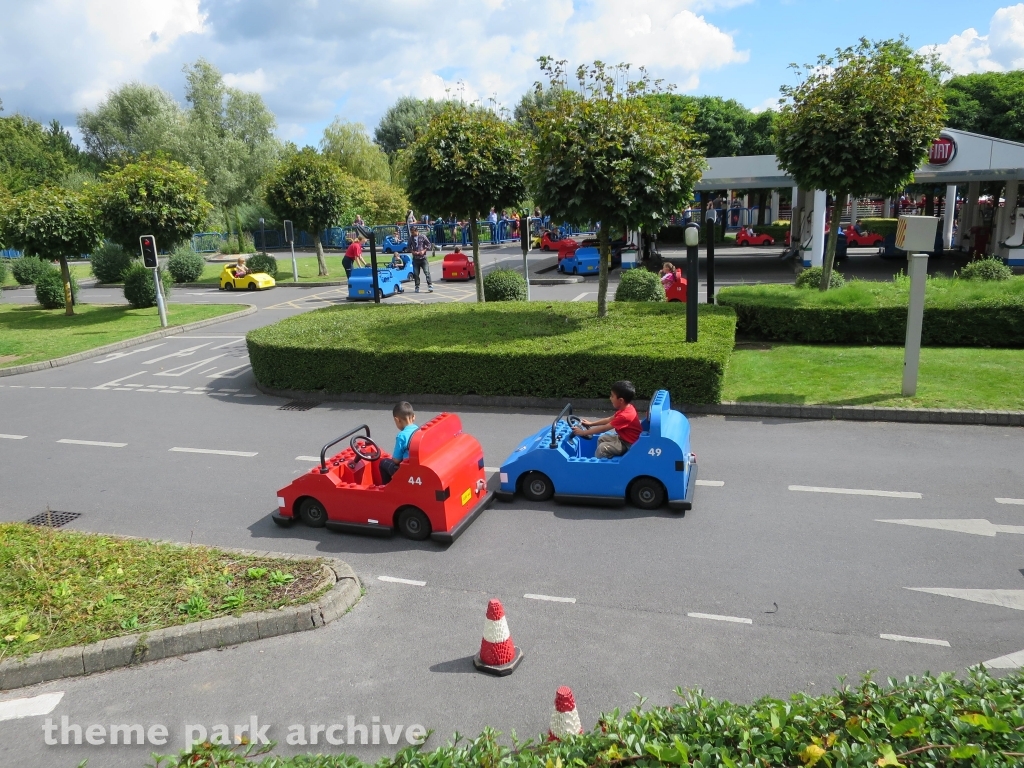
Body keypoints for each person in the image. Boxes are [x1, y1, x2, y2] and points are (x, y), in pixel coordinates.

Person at [572, 380, 643, 459]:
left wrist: (583, 432)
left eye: (612, 396)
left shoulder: (625, 416)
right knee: (602, 438)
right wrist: (591, 423)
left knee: (602, 448)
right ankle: (605, 460)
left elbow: (604, 428)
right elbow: (609, 419)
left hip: (628, 444)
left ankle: (601, 467)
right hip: (622, 439)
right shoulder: (626, 408)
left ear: (621, 400)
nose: (610, 398)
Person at [380, 402, 419, 485]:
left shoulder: (401, 436)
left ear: (397, 420)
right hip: (417, 466)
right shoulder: (419, 430)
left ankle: (386, 488)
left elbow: (396, 460)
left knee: (383, 463)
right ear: (414, 417)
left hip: (406, 470)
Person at [409, 225, 433, 292]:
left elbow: (429, 245)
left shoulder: (422, 236)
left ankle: (430, 285)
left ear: (416, 231)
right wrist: (413, 251)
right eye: (411, 232)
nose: (412, 234)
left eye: (413, 232)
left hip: (423, 258)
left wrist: (424, 251)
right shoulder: (411, 238)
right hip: (416, 259)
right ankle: (417, 286)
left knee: (426, 272)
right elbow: (408, 247)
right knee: (416, 274)